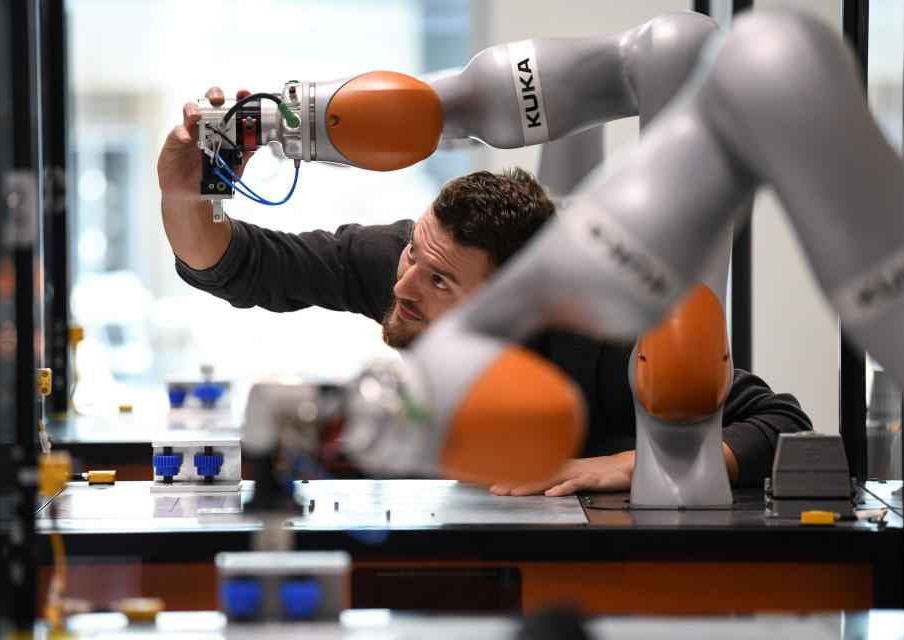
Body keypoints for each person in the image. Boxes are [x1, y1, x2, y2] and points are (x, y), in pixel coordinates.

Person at [159, 88, 812, 497]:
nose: (405, 284)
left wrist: (625, 465)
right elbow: (239, 266)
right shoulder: (401, 267)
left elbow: (783, 425)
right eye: (417, 249)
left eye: (441, 280)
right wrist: (189, 194)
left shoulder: (604, 336)